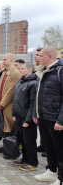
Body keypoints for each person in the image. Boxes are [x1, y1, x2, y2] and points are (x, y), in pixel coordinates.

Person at [33, 46, 63, 185]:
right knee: (47, 145)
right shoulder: (44, 72)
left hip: (55, 118)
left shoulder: (59, 70)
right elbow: (39, 95)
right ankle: (51, 171)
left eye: (41, 56)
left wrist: (61, 120)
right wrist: (36, 112)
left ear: (49, 56)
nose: (38, 58)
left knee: (59, 148)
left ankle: (61, 178)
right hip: (43, 116)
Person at [12, 62, 38, 172]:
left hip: (28, 118)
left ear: (29, 69)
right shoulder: (20, 81)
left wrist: (28, 120)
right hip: (19, 116)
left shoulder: (33, 83)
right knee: (22, 140)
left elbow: (33, 104)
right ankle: (24, 159)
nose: (20, 70)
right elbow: (16, 99)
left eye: (22, 68)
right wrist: (14, 113)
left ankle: (32, 163)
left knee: (29, 141)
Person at [0, 53, 21, 153]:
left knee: (9, 126)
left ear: (11, 60)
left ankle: (10, 147)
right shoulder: (4, 72)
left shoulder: (15, 73)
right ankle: (5, 145)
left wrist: (2, 103)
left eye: (5, 59)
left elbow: (11, 91)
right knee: (3, 126)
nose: (3, 61)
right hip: (1, 104)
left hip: (8, 105)